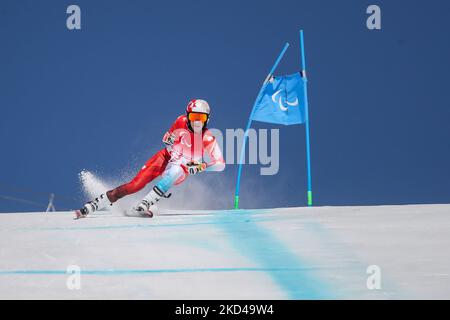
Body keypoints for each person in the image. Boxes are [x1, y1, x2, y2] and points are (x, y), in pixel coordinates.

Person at [75, 99, 225, 219]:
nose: (197, 122)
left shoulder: (208, 138)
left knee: (177, 170)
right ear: (187, 116)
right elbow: (169, 136)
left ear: (207, 119)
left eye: (201, 118)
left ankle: (145, 203)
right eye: (193, 117)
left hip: (183, 167)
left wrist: (201, 166)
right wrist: (167, 138)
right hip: (165, 157)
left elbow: (220, 164)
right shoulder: (180, 121)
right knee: (135, 185)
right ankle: (95, 204)